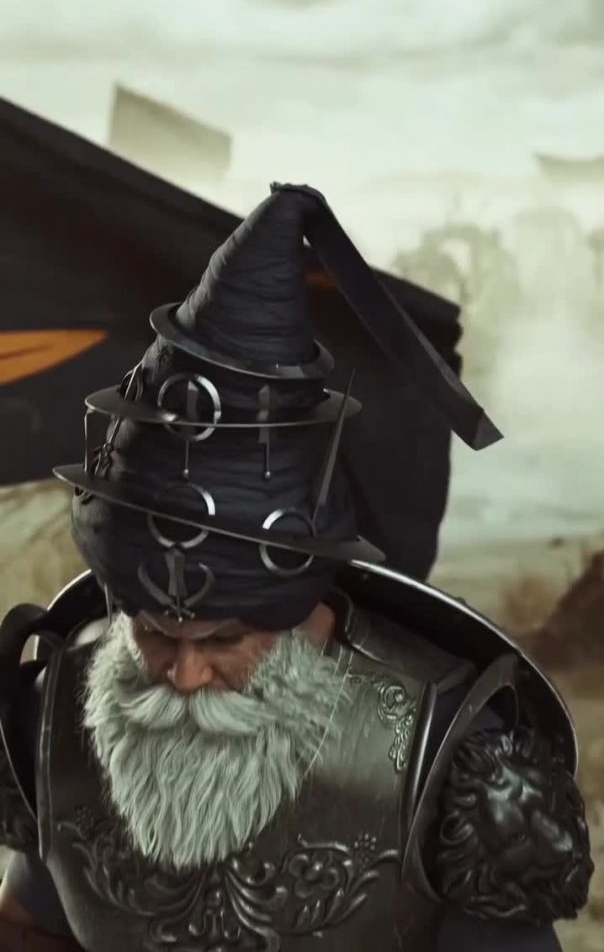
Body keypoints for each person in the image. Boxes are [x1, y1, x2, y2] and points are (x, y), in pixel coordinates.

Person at [0, 184, 593, 951]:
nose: (183, 676)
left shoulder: (451, 758)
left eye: (223, 640)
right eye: (153, 634)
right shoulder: (57, 715)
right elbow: (32, 926)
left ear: (298, 606)